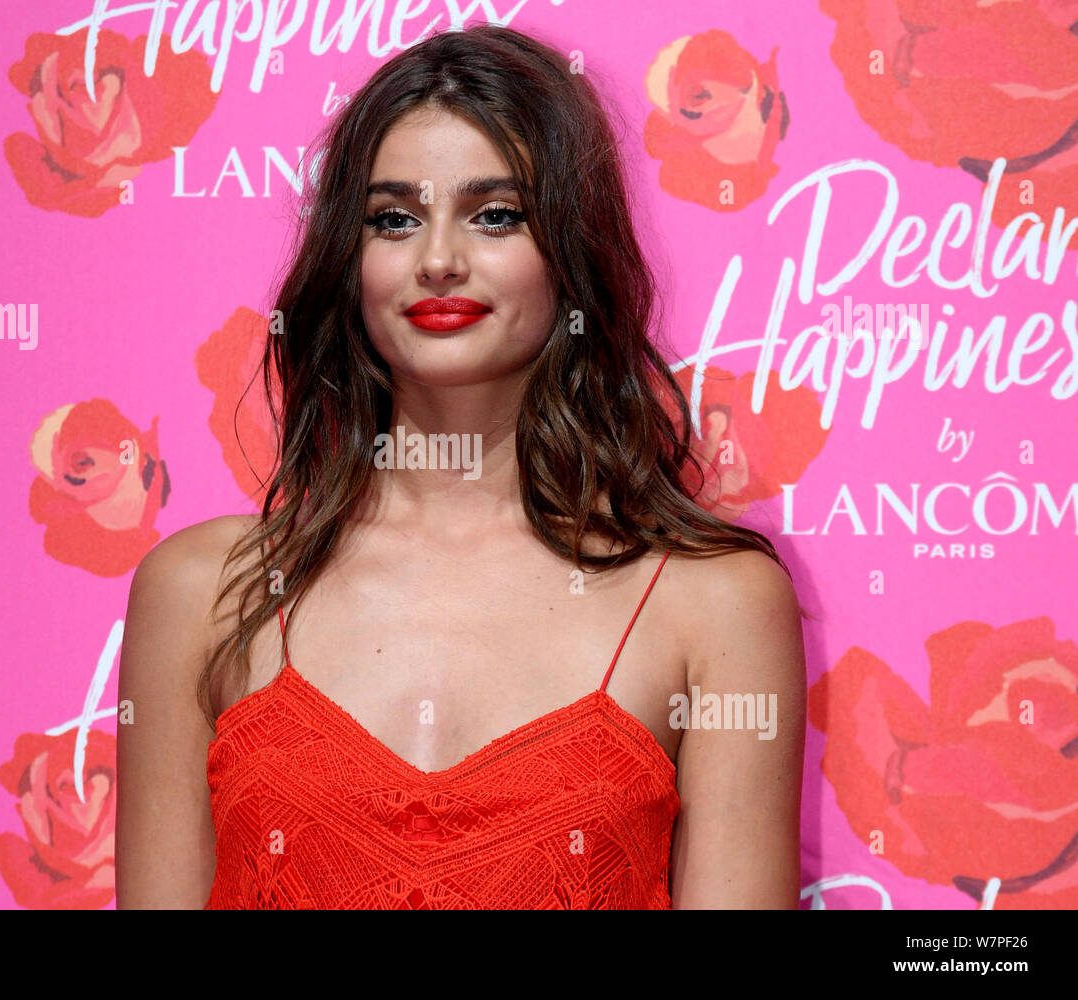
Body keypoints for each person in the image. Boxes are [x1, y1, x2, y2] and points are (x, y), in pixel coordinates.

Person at [116, 23, 806, 909]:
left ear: (570, 251)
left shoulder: (712, 602)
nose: (439, 260)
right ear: (348, 259)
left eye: (495, 215)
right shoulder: (203, 589)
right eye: (394, 219)